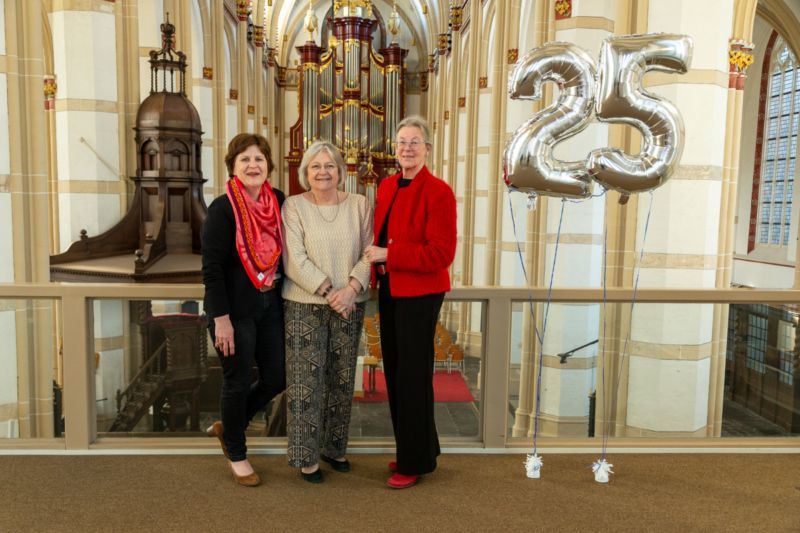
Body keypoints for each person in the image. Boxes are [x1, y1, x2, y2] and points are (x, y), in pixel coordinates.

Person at [364, 116, 457, 489]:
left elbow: (440, 254)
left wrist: (389, 253)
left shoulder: (439, 192)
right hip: (390, 290)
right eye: (401, 142)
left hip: (420, 293)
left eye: (414, 142)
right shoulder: (387, 186)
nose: (407, 148)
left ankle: (413, 462)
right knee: (396, 374)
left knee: (413, 378)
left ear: (427, 149)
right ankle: (416, 448)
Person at [282, 140, 373, 483]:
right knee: (306, 382)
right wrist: (328, 290)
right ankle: (307, 457)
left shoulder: (360, 204)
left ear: (340, 171)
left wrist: (350, 290)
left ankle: (334, 448)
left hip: (350, 303)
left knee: (341, 378)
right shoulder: (293, 206)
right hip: (304, 303)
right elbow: (293, 258)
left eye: (329, 166)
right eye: (316, 166)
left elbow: (369, 250)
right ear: (306, 172)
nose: (323, 172)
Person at [201, 133, 286, 487]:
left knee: (277, 377)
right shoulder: (222, 209)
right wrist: (221, 320)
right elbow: (212, 269)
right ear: (233, 167)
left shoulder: (279, 201)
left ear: (268, 165)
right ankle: (237, 452)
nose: (253, 165)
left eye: (259, 159)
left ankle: (228, 425)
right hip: (234, 311)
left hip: (270, 303)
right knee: (236, 381)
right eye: (245, 160)